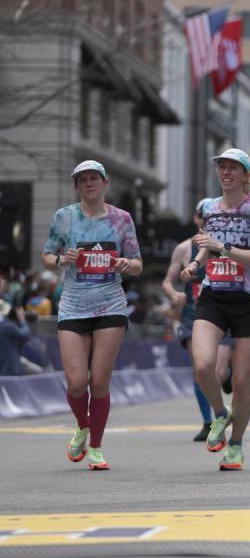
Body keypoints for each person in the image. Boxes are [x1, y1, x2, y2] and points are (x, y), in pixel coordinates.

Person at [41, 160, 142, 470]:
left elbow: (137, 263)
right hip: (72, 304)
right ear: (76, 186)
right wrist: (60, 259)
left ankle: (96, 448)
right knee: (75, 383)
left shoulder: (121, 219)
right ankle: (83, 425)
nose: (89, 183)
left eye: (94, 178)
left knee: (99, 381)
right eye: (82, 179)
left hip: (110, 305)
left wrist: (126, 265)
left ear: (104, 182)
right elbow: (46, 256)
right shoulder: (64, 217)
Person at [179, 148, 250, 471]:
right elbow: (207, 247)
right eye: (222, 167)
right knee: (204, 365)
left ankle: (235, 445)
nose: (226, 172)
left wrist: (225, 248)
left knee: (242, 382)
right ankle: (220, 413)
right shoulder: (208, 207)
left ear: (246, 175)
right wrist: (195, 264)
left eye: (233, 167)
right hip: (214, 295)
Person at [162, 199, 235, 442]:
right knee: (200, 369)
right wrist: (174, 294)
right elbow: (167, 281)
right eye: (201, 215)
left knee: (219, 371)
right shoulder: (184, 249)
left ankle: (226, 380)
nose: (205, 219)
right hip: (195, 315)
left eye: (209, 215)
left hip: (223, 313)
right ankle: (209, 421)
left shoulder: (225, 245)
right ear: (196, 219)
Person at [0, 299, 30, 376]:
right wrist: (22, 320)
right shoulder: (6, 325)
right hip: (8, 366)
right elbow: (24, 335)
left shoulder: (6, 324)